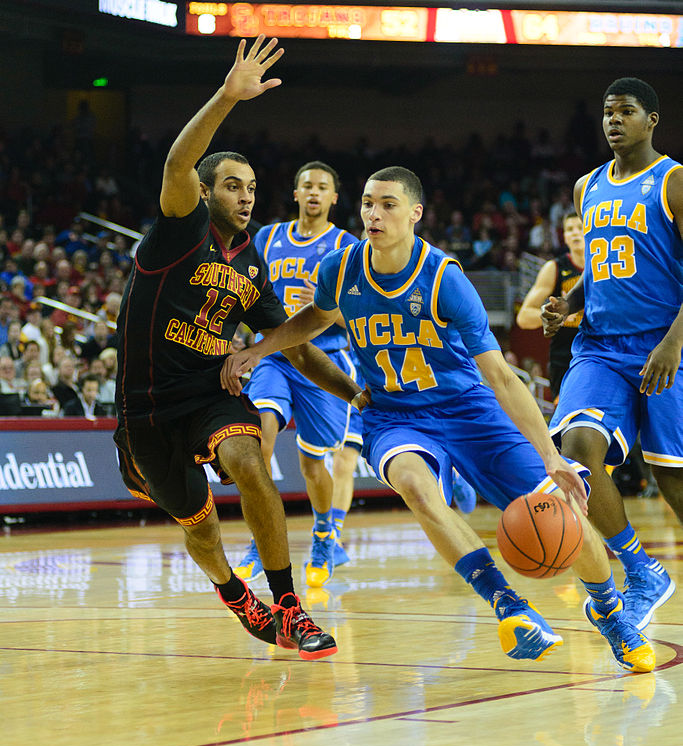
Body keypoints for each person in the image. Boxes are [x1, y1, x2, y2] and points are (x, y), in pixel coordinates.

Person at [224, 166, 655, 673]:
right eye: (367, 203)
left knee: (561, 514)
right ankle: (509, 606)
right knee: (415, 485)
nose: (373, 214)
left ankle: (610, 611)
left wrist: (551, 456)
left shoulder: (444, 278)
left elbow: (500, 377)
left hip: (469, 412)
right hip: (395, 417)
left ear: (415, 213)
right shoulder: (340, 269)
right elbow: (310, 321)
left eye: (387, 204)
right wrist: (259, 349)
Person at [114, 35, 362, 661]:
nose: (246, 196)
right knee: (197, 524)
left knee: (251, 459)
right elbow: (176, 165)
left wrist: (359, 396)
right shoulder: (181, 228)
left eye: (251, 186)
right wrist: (228, 95)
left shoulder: (253, 267)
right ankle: (235, 594)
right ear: (205, 193)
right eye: (231, 185)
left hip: (207, 394)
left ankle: (287, 605)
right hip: (145, 409)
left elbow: (299, 348)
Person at [543, 77, 680, 631]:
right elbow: (603, 268)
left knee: (671, 476)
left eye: (626, 111)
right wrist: (570, 302)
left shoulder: (672, 182)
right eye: (606, 112)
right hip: (599, 347)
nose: (613, 121)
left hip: (663, 344)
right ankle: (641, 570)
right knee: (575, 453)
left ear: (652, 121)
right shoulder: (587, 187)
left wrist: (673, 343)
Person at [234, 161, 362, 588]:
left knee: (312, 466)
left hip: (322, 363)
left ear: (333, 198)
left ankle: (325, 530)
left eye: (322, 187)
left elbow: (361, 316)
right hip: (273, 357)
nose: (313, 192)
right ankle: (260, 537)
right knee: (260, 437)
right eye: (306, 185)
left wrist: (326, 309)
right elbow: (241, 290)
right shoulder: (267, 238)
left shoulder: (347, 246)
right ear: (295, 192)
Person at [517, 211, 585, 398]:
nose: (575, 233)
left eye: (580, 227)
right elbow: (523, 317)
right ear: (563, 236)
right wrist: (550, 315)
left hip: (599, 349)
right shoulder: (554, 268)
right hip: (565, 357)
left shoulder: (603, 265)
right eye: (569, 229)